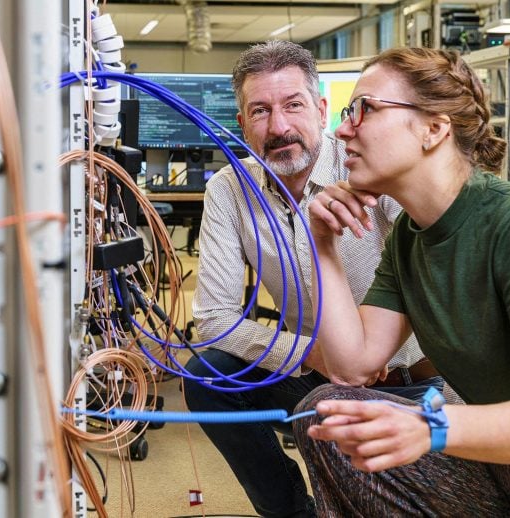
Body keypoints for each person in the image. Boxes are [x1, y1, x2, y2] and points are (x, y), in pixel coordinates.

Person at [293, 46, 510, 516]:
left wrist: (430, 426)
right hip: (497, 464)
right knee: (331, 408)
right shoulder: (410, 236)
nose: (342, 129)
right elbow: (352, 369)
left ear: (434, 128)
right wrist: (322, 244)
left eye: (365, 109)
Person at [183, 40, 444, 518]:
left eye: (293, 105)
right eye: (260, 111)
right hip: (314, 373)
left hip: (404, 382)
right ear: (242, 124)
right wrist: (309, 353)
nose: (279, 127)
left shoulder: (368, 170)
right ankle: (289, 511)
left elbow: (433, 278)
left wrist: (360, 358)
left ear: (322, 110)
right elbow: (215, 320)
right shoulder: (229, 190)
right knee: (206, 377)